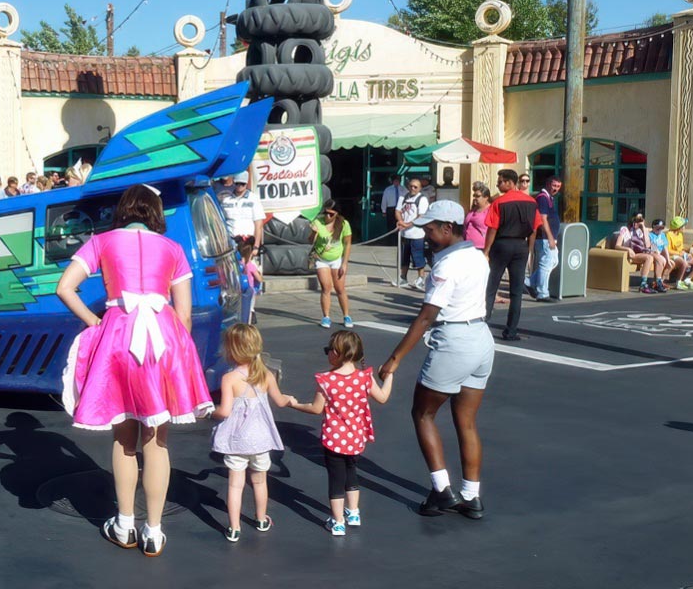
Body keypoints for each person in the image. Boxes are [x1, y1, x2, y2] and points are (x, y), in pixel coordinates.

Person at [55, 184, 214, 557]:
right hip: (163, 340)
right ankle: (154, 532)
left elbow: (65, 288)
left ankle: (125, 523)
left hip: (118, 337)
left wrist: (96, 322)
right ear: (156, 212)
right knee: (157, 440)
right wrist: (178, 357)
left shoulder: (102, 241)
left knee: (123, 437)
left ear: (124, 209)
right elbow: (185, 314)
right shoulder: (173, 248)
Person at [379, 199, 494, 520]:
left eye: (430, 229)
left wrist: (394, 358)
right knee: (466, 421)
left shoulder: (446, 266)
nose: (427, 235)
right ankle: (471, 496)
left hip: (454, 341)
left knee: (423, 413)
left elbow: (426, 317)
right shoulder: (477, 257)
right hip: (481, 339)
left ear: (448, 228)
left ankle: (442, 490)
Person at [288, 330, 394, 536]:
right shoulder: (364, 377)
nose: (327, 353)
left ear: (336, 353)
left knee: (336, 479)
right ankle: (353, 512)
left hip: (334, 440)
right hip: (356, 438)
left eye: (328, 350)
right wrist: (389, 377)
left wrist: (294, 404)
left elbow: (316, 408)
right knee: (351, 472)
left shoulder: (326, 380)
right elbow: (382, 397)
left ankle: (337, 522)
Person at [210, 323, 293, 543]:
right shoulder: (266, 374)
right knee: (259, 482)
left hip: (237, 441)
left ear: (232, 350)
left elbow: (225, 411)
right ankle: (261, 519)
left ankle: (234, 528)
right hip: (261, 440)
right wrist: (292, 401)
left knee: (235, 485)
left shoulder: (229, 379)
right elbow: (281, 401)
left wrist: (211, 413)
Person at [484, 169, 540, 341]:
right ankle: (511, 330)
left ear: (509, 182)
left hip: (502, 244)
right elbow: (534, 228)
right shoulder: (531, 202)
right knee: (516, 290)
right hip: (521, 245)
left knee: (491, 286)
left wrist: (486, 251)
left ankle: (482, 323)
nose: (497, 184)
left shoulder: (499, 202)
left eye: (500, 181)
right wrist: (529, 249)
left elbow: (492, 228)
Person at [310, 199, 353, 329]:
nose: (327, 216)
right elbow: (310, 241)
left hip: (336, 259)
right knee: (326, 287)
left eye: (331, 214)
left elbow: (347, 243)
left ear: (336, 214)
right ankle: (326, 316)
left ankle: (346, 315)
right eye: (325, 213)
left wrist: (344, 264)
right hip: (321, 259)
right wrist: (313, 232)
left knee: (340, 288)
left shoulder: (344, 224)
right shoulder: (318, 222)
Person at [525, 175, 562, 302]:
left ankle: (530, 282)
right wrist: (550, 237)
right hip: (545, 238)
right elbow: (542, 219)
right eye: (554, 185)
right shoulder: (543, 198)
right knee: (546, 263)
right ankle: (542, 293)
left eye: (558, 186)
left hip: (548, 238)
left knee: (553, 261)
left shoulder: (549, 198)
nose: (555, 189)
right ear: (548, 184)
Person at [219, 171, 265, 265]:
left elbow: (258, 225)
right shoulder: (226, 200)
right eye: (237, 183)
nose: (239, 186)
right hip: (231, 244)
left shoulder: (253, 199)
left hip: (247, 244)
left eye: (242, 184)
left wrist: (256, 247)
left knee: (250, 272)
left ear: (246, 183)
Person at [615, 212, 665, 294]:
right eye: (635, 220)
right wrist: (627, 249)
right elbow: (617, 246)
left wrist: (643, 229)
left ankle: (658, 282)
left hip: (642, 252)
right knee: (649, 258)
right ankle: (643, 284)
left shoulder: (642, 231)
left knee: (659, 258)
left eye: (639, 220)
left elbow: (648, 245)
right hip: (631, 254)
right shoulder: (625, 229)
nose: (637, 222)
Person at [395, 177, 430, 290]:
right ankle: (403, 277)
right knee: (404, 257)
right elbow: (398, 211)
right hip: (404, 234)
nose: (413, 188)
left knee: (418, 257)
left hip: (417, 234)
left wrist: (408, 224)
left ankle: (421, 279)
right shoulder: (403, 197)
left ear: (420, 188)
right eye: (411, 186)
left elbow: (421, 216)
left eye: (415, 187)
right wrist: (400, 221)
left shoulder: (422, 199)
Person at [664, 216, 693, 289]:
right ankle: (678, 282)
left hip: (681, 255)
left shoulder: (680, 235)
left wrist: (687, 252)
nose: (684, 228)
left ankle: (687, 280)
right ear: (678, 227)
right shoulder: (668, 235)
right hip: (672, 256)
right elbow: (667, 250)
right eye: (683, 226)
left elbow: (681, 248)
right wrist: (679, 253)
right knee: (684, 263)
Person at [465, 184, 490, 249]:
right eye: (474, 196)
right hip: (468, 246)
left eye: (477, 196)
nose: (475, 198)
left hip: (481, 247)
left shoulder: (490, 210)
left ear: (486, 197)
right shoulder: (473, 209)